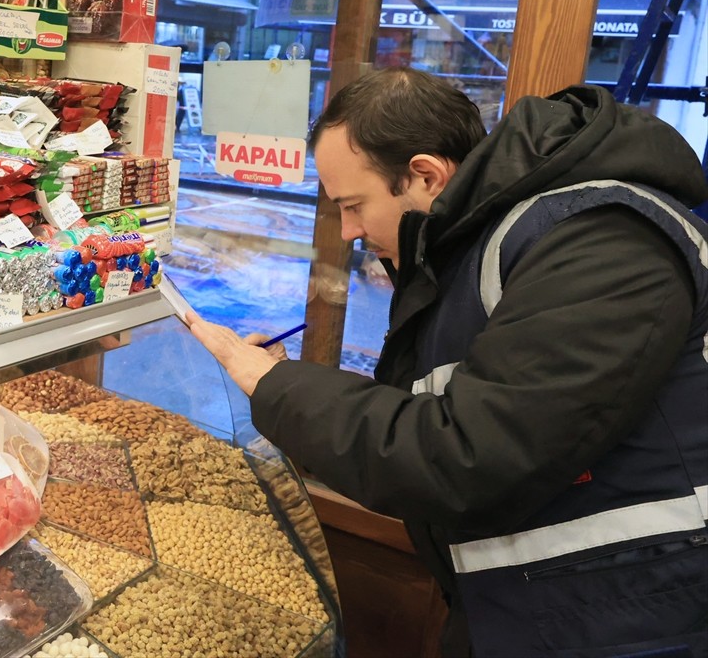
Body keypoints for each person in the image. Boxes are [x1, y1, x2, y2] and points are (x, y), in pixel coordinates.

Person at [188, 68, 708, 658]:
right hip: (538, 608)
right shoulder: (475, 245)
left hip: (635, 618)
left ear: (426, 176)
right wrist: (287, 380)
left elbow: (470, 454)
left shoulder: (599, 240)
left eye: (354, 206)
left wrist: (276, 386)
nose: (351, 231)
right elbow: (438, 409)